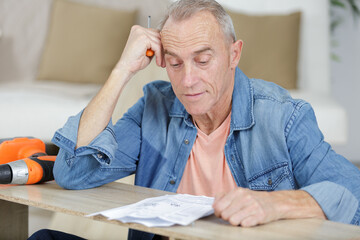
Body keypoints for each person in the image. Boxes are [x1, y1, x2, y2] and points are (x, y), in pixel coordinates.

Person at [29, 0, 360, 239]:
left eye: (202, 60)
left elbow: (353, 193)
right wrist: (122, 70)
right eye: (175, 63)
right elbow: (74, 173)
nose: (187, 81)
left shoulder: (283, 117)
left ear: (234, 54)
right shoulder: (154, 108)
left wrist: (276, 204)